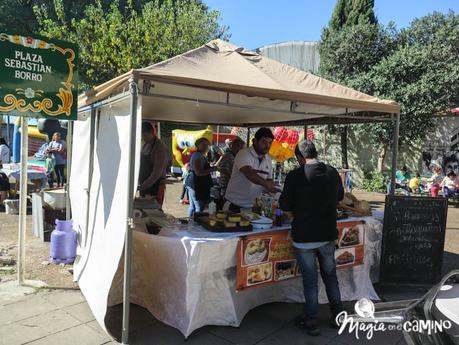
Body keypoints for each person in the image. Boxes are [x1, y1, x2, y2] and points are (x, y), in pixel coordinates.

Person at [279, 140, 344, 336]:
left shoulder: (294, 176)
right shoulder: (332, 172)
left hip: (304, 238)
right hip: (327, 236)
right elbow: (340, 197)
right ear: (315, 153)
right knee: (331, 277)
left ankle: (311, 320)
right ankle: (338, 315)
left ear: (299, 157)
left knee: (310, 280)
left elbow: (285, 205)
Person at [224, 127, 279, 212]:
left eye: (270, 142)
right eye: (264, 142)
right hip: (234, 205)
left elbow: (269, 180)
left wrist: (275, 189)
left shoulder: (268, 159)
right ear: (255, 141)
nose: (268, 145)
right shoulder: (243, 153)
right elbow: (249, 173)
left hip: (253, 208)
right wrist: (267, 184)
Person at [138, 122, 169, 206]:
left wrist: (143, 186)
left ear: (152, 133)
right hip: (145, 184)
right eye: (142, 136)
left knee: (154, 212)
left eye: (145, 135)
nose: (143, 138)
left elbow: (156, 173)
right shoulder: (146, 145)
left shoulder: (160, 147)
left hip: (155, 185)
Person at [185, 137, 216, 217]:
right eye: (203, 144)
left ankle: (190, 223)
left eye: (207, 145)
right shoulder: (197, 155)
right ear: (197, 145)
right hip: (195, 183)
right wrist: (212, 169)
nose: (206, 146)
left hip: (193, 183)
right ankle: (195, 225)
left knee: (192, 207)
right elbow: (198, 172)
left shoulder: (200, 155)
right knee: (199, 208)